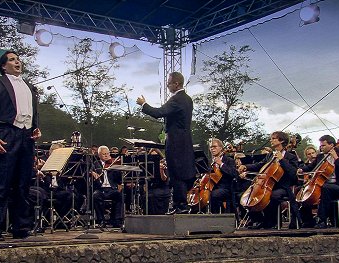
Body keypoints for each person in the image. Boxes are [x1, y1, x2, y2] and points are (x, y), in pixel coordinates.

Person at [0, 50, 41, 241]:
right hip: (5, 134)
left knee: (22, 184)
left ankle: (20, 226)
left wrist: (35, 127)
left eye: (18, 59)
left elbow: (32, 111)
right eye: (12, 59)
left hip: (26, 136)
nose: (17, 62)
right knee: (0, 184)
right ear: (3, 65)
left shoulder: (29, 86)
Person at [136, 72, 196, 215]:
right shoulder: (187, 99)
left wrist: (143, 104)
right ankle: (179, 204)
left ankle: (181, 205)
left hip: (176, 141)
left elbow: (159, 112)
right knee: (177, 172)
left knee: (176, 172)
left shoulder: (177, 99)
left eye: (169, 83)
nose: (168, 85)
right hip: (184, 140)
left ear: (176, 84)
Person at [238, 131, 301, 229]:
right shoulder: (270, 155)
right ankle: (260, 220)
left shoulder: (291, 157)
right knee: (248, 195)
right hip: (268, 184)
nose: (271, 140)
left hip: (283, 186)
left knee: (273, 195)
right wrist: (246, 166)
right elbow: (260, 165)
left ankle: (273, 221)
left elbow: (293, 173)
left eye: (273, 138)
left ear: (281, 141)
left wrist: (282, 160)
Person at [298, 135, 339, 229]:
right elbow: (309, 167)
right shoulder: (320, 156)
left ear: (331, 145)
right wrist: (301, 169)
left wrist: (336, 158)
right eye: (320, 145)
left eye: (323, 145)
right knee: (302, 191)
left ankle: (321, 220)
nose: (321, 147)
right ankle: (308, 221)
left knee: (325, 188)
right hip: (324, 185)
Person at [90, 146, 123, 228]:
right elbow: (90, 172)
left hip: (111, 188)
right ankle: (101, 220)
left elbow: (119, 179)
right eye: (104, 154)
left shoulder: (113, 163)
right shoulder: (96, 164)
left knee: (119, 195)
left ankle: (116, 219)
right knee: (95, 196)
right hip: (100, 189)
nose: (106, 156)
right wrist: (92, 173)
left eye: (108, 153)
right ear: (99, 155)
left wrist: (116, 169)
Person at [208, 138, 238, 214]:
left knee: (214, 194)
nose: (212, 149)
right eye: (211, 147)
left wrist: (221, 164)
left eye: (214, 146)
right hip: (212, 187)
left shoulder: (229, 160)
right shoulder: (210, 162)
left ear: (221, 148)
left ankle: (215, 217)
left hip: (225, 188)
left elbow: (234, 174)